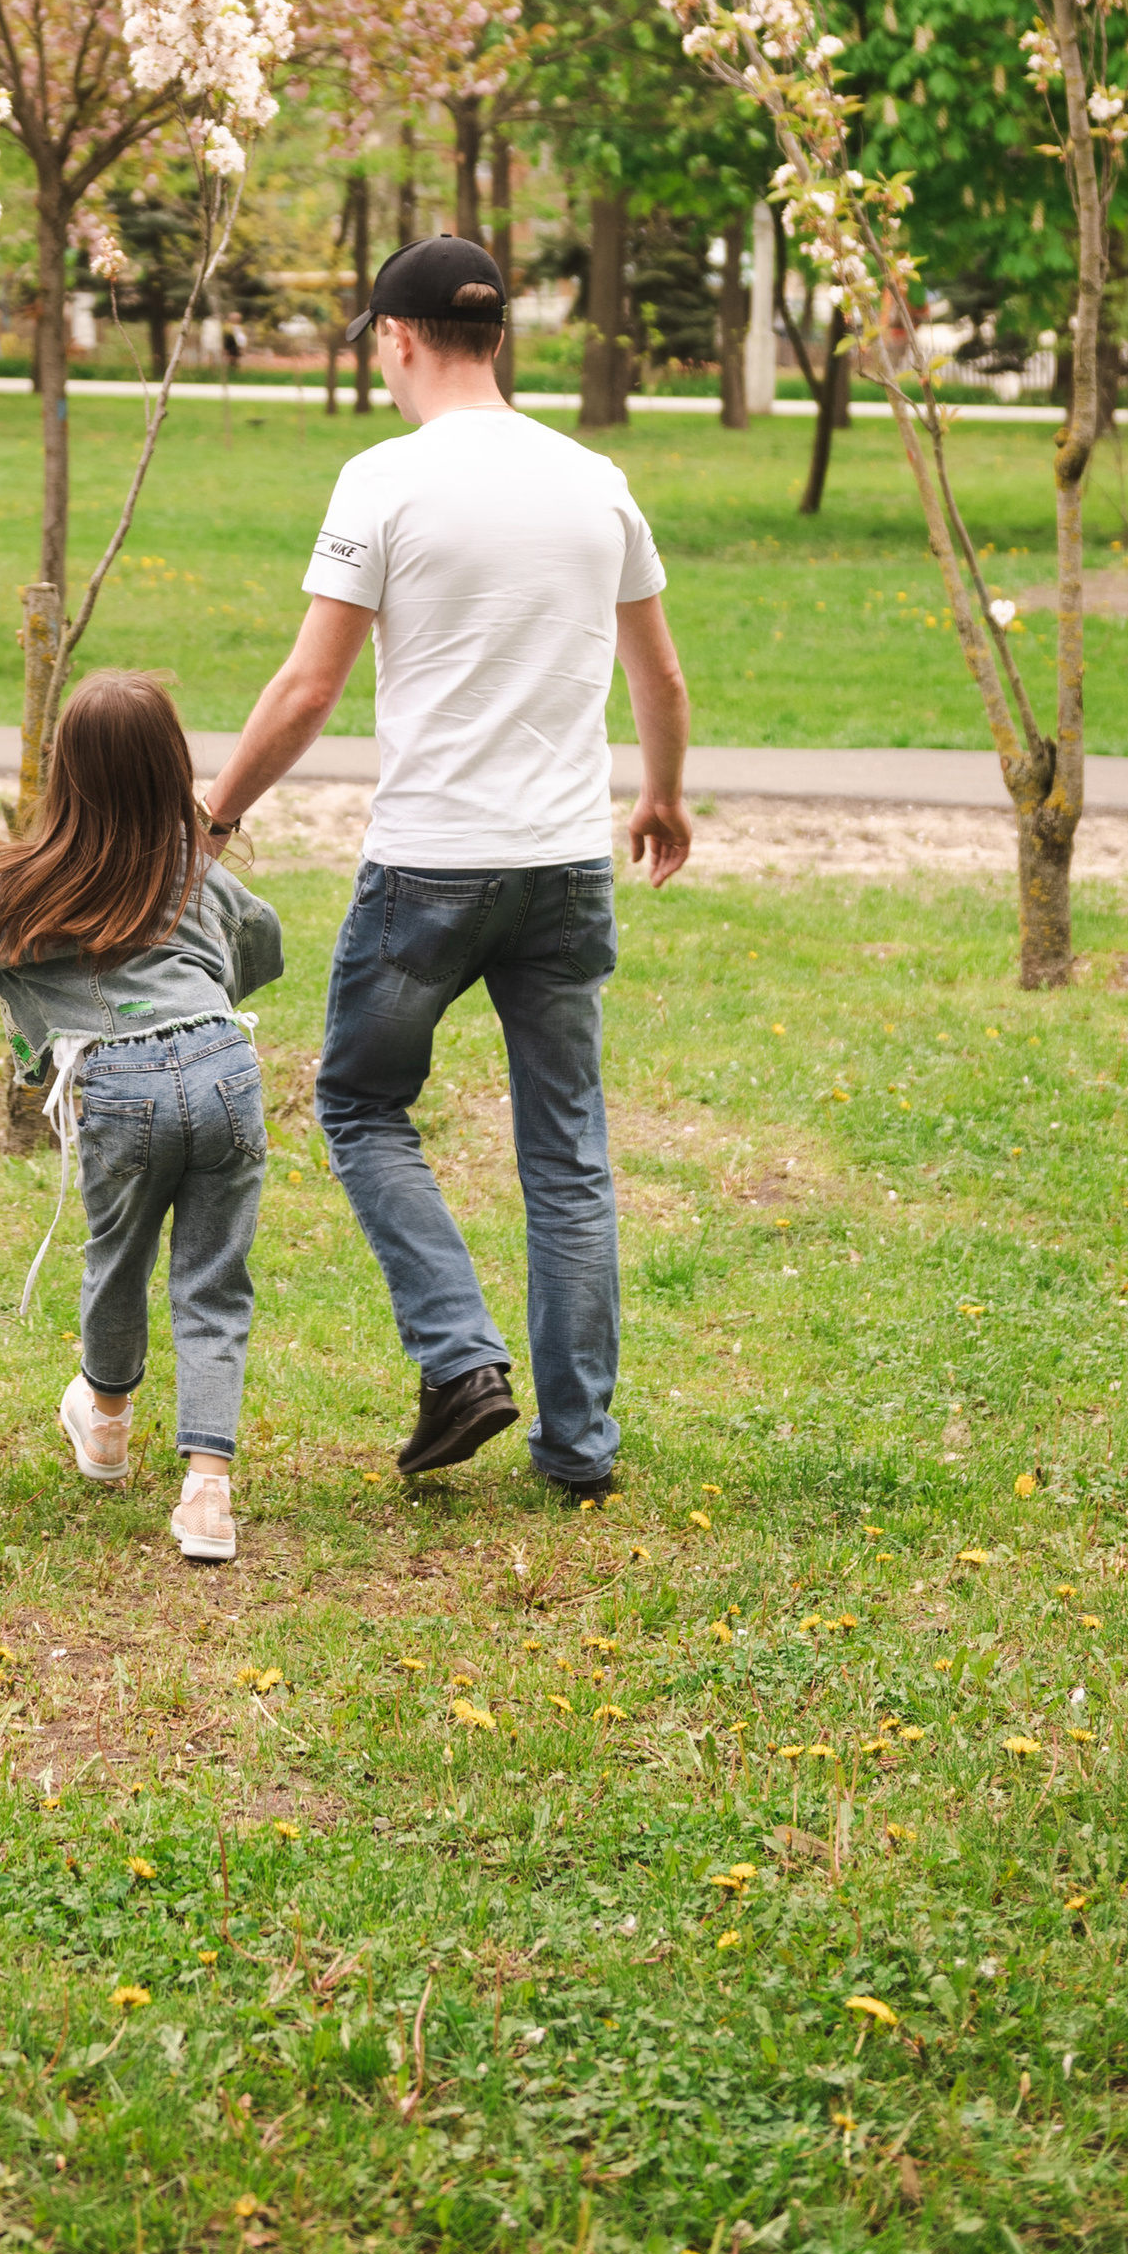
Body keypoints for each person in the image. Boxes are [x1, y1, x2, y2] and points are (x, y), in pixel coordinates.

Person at [198, 234, 690, 1506]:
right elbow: (661, 676)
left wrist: (215, 810)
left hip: (431, 868)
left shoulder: (383, 481)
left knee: (361, 1106)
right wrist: (663, 795)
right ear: (496, 340)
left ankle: (460, 1357)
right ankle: (579, 1447)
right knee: (567, 1153)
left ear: (396, 339)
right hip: (569, 866)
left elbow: (310, 686)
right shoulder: (595, 481)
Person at [0, 672, 281, 1564]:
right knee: (214, 1283)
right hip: (226, 1064)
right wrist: (207, 1000)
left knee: (118, 1261)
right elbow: (265, 937)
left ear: (68, 776)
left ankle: (105, 1421)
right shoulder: (194, 872)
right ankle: (208, 1494)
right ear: (174, 770)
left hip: (122, 1085)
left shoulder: (27, 888)